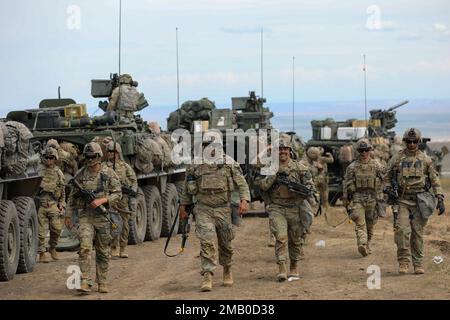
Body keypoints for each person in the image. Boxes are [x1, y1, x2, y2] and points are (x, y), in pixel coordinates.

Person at [179, 137, 250, 292]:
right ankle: (207, 275)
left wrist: (244, 200)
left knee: (226, 244)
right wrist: (183, 206)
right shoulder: (194, 165)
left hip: (223, 209)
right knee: (206, 241)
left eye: (211, 145)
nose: (208, 148)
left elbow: (241, 183)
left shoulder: (228, 162)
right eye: (205, 145)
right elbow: (186, 188)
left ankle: (227, 269)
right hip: (203, 209)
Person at [384, 128, 445, 274]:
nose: (412, 144)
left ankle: (418, 263)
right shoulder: (397, 158)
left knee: (417, 233)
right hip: (402, 201)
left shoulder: (425, 159)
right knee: (402, 232)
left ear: (419, 142)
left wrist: (440, 198)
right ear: (405, 142)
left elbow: (434, 180)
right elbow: (386, 176)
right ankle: (404, 263)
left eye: (415, 141)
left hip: (420, 202)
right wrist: (387, 189)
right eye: (409, 141)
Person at [65, 142, 122, 293]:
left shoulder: (108, 173)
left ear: (99, 157)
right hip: (85, 217)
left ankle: (102, 281)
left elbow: (118, 193)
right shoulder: (80, 175)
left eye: (93, 156)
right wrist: (68, 215)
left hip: (103, 217)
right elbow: (71, 197)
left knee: (103, 251)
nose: (90, 160)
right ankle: (85, 280)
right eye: (87, 156)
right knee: (84, 248)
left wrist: (102, 200)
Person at [257, 140, 316, 281]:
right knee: (281, 237)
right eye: (279, 149)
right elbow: (263, 186)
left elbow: (310, 187)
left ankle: (294, 267)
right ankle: (282, 267)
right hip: (277, 207)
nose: (282, 151)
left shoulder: (300, 168)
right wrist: (275, 174)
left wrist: (301, 191)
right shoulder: (269, 168)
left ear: (290, 151)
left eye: (285, 149)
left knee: (296, 240)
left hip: (295, 208)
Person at [343, 139, 384, 257]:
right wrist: (346, 198)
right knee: (360, 223)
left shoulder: (376, 165)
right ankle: (362, 243)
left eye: (366, 150)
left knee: (370, 224)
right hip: (358, 198)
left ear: (370, 150)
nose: (364, 153)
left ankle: (368, 243)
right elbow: (346, 183)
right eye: (361, 150)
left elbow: (385, 177)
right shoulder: (352, 167)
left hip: (372, 198)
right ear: (358, 151)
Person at [104, 141, 138, 259]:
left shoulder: (125, 166)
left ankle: (123, 248)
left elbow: (133, 180)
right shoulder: (104, 167)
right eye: (108, 151)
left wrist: (132, 192)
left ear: (118, 153)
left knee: (124, 225)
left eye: (112, 151)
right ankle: (113, 248)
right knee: (113, 224)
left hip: (123, 199)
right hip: (111, 200)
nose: (110, 154)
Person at [37, 147, 66, 263]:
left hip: (53, 204)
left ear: (55, 159)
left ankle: (53, 247)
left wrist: (62, 204)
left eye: (51, 158)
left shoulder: (58, 172)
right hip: (41, 204)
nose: (48, 160)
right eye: (46, 157)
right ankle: (42, 253)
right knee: (40, 231)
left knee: (57, 228)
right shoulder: (39, 171)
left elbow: (62, 190)